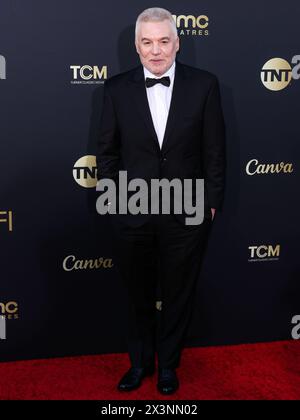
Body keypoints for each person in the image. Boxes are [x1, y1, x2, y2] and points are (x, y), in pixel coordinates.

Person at [96, 7, 226, 395]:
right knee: (136, 294)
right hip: (131, 210)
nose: (156, 51)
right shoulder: (116, 89)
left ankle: (168, 366)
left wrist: (210, 202)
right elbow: (107, 153)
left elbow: (215, 151)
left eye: (164, 41)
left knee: (178, 293)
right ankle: (139, 365)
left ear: (177, 43)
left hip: (187, 211)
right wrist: (116, 201)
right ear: (136, 46)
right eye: (147, 42)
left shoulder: (205, 85)